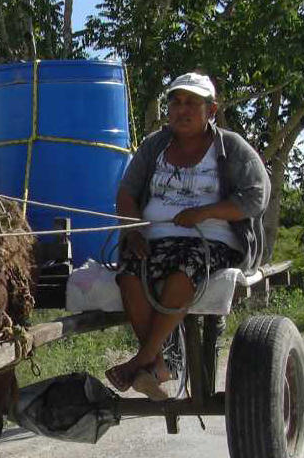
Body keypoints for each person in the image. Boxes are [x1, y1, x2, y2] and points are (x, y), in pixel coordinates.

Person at [105, 72, 269, 400]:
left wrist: (205, 212)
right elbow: (126, 192)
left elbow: (256, 197)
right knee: (129, 272)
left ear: (211, 110)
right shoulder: (155, 145)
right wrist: (134, 228)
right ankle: (159, 364)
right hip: (155, 238)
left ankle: (142, 359)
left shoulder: (231, 147)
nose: (182, 109)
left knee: (183, 271)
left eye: (192, 103)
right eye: (176, 102)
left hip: (212, 240)